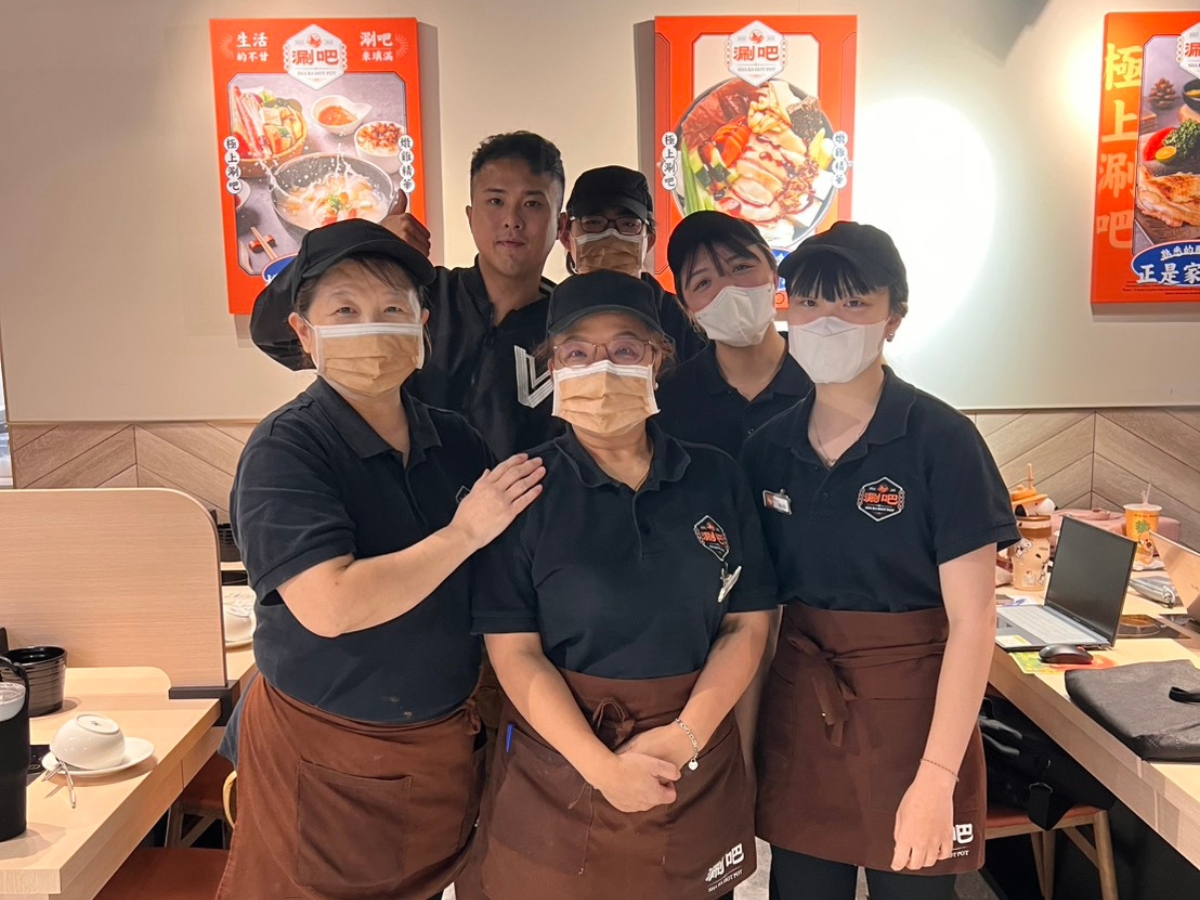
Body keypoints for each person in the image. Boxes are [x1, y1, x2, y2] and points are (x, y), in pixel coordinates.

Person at [220, 220, 545, 900]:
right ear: (304, 333)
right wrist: (462, 534)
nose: (371, 328)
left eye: (392, 309)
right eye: (345, 310)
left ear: (422, 328)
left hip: (440, 746)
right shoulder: (287, 449)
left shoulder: (456, 442)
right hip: (325, 756)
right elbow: (331, 604)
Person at [466, 270, 777, 900]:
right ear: (552, 367)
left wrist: (685, 737)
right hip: (561, 766)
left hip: (690, 759)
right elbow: (515, 652)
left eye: (625, 349)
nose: (601, 368)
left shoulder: (715, 477)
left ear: (657, 361)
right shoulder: (521, 489)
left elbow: (747, 623)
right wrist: (601, 767)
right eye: (578, 353)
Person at [739, 222, 1019, 900]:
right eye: (810, 302)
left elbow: (974, 622)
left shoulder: (943, 441)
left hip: (916, 724)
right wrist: (743, 757)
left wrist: (937, 778)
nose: (827, 321)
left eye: (854, 303)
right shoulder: (767, 449)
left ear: (895, 317)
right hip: (803, 714)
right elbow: (757, 618)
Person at [379, 131, 564, 459]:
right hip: (405, 490)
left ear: (560, 226)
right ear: (470, 215)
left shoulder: (572, 328)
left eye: (532, 204)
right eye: (496, 201)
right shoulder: (421, 296)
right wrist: (370, 252)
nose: (512, 221)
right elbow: (284, 339)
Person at [656, 211, 812, 457]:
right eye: (703, 283)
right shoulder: (670, 401)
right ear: (688, 310)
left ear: (774, 275)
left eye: (741, 267)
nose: (728, 289)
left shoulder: (825, 375)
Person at [559, 165, 706, 362]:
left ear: (650, 240)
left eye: (628, 224)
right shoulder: (545, 318)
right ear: (566, 236)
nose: (611, 234)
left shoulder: (685, 323)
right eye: (593, 222)